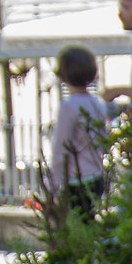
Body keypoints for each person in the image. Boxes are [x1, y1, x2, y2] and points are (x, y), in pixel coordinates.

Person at [51, 46, 110, 218]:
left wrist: (52, 188)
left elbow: (60, 151)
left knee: (76, 230)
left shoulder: (68, 106)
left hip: (77, 180)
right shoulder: (98, 104)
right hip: (96, 175)